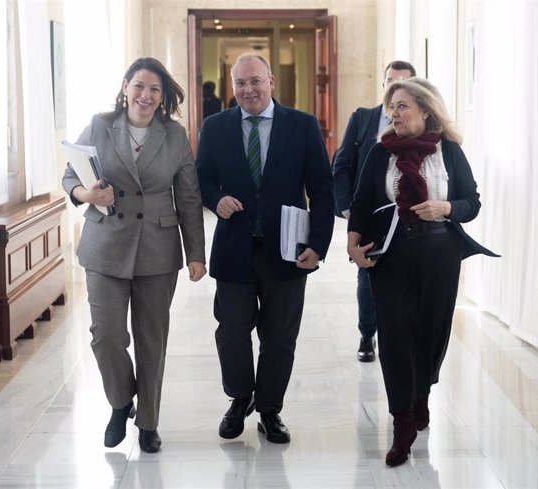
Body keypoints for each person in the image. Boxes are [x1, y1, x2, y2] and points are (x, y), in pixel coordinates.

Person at [347, 78, 498, 467]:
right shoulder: (382, 153)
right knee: (394, 335)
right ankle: (401, 423)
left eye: (402, 107)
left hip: (439, 254)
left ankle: (420, 398)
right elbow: (363, 202)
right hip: (390, 257)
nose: (394, 114)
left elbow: (472, 201)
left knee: (430, 333)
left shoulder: (448, 150)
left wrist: (446, 208)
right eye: (391, 108)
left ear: (425, 110)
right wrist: (352, 243)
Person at [62, 57, 206, 453]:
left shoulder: (175, 136)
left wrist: (196, 252)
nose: (145, 95)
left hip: (157, 247)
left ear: (163, 98)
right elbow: (70, 176)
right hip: (105, 242)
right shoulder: (99, 125)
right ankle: (121, 402)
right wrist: (86, 195)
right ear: (125, 86)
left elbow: (189, 196)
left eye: (155, 90)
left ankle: (148, 422)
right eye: (140, 86)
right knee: (105, 336)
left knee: (151, 338)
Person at [196, 53, 335, 444]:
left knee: (279, 337)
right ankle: (240, 399)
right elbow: (201, 180)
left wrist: (318, 246)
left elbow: (322, 191)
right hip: (235, 249)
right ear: (232, 86)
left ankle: (271, 410)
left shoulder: (303, 126)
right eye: (240, 83)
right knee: (232, 332)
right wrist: (216, 199)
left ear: (271, 81)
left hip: (288, 251)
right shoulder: (215, 127)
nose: (248, 90)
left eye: (255, 81)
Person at [332, 60, 416, 363]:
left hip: (407, 218)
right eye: (390, 81)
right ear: (383, 85)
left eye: (402, 82)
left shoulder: (421, 125)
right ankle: (367, 335)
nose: (395, 87)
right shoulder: (363, 119)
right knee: (367, 279)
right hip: (368, 217)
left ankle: (400, 335)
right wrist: (346, 210)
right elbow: (341, 166)